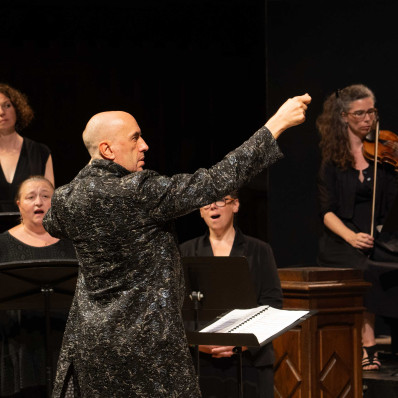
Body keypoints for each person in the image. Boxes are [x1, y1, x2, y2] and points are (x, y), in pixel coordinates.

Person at [42, 93, 311, 397]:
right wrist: (275, 125)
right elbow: (214, 182)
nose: (145, 145)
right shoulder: (137, 191)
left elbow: (51, 223)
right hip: (147, 347)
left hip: (92, 343)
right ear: (108, 149)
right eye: (135, 138)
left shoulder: (66, 198)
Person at [316, 84, 397, 371]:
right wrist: (351, 236)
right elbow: (327, 212)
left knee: (385, 262)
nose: (368, 119)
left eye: (372, 112)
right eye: (360, 113)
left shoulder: (385, 155)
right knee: (367, 267)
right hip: (342, 239)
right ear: (343, 117)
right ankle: (368, 345)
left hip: (380, 237)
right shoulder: (332, 163)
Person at [180, 191, 283, 398]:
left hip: (250, 362)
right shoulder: (186, 251)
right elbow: (178, 307)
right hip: (202, 363)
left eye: (219, 200)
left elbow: (272, 305)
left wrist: (242, 342)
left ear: (235, 205)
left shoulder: (260, 250)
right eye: (205, 202)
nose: (212, 207)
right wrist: (199, 342)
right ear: (200, 211)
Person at [0, 176, 76, 397]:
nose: (38, 202)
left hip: (62, 337)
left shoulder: (71, 243)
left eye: (45, 196)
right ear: (19, 204)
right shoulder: (2, 245)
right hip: (17, 342)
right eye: (30, 197)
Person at [0, 84, 54, 220]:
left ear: (17, 109)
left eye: (7, 105)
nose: (1, 112)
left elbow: (49, 199)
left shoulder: (40, 152)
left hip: (32, 231)